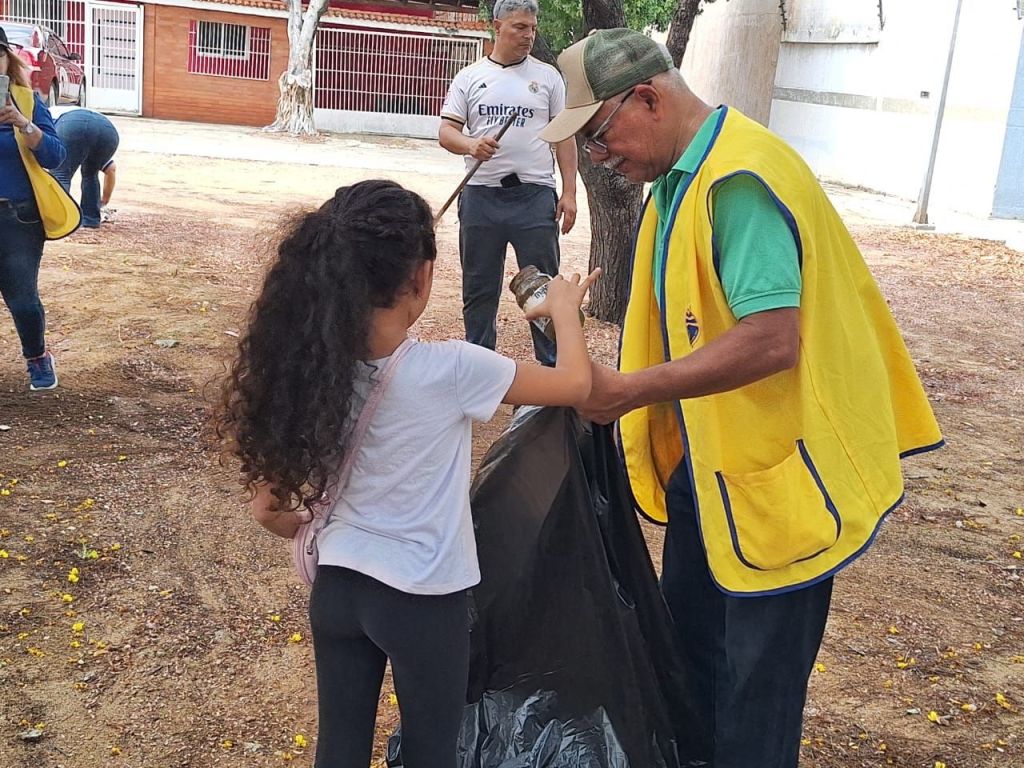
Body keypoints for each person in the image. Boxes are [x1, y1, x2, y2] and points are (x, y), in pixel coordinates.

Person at [540, 28, 943, 768]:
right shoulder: (681, 178)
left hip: (782, 490)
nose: (598, 157)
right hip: (717, 476)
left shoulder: (738, 181)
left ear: (648, 98)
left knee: (753, 702)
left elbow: (770, 340)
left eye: (598, 136)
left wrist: (630, 391)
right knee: (694, 674)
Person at [216, 180, 598, 768]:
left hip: (338, 589)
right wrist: (564, 311)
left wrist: (339, 536)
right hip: (422, 598)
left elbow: (267, 509)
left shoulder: (308, 370)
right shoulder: (454, 369)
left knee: (338, 751)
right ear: (421, 278)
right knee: (430, 753)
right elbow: (575, 384)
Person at [439, 0, 578, 366]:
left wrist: (569, 192)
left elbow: (564, 137)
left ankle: (552, 369)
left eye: (532, 28)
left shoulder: (548, 77)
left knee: (543, 287)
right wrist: (471, 145)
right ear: (497, 26)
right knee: (479, 288)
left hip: (534, 196)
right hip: (481, 196)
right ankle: (479, 365)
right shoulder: (469, 77)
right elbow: (446, 132)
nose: (528, 35)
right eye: (519, 27)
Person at [0, 26, 66, 390]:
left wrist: (24, 125)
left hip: (18, 217)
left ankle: (37, 356)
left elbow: (56, 156)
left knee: (22, 299)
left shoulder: (26, 100)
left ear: (7, 59)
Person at [50, 105, 119, 228]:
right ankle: (91, 219)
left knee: (61, 174)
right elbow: (111, 169)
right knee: (90, 174)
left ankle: (57, 221)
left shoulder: (43, 115)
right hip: (108, 130)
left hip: (72, 123)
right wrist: (104, 200)